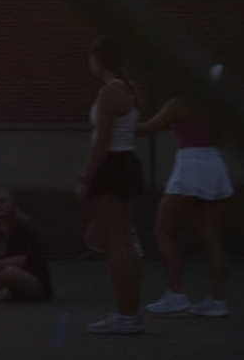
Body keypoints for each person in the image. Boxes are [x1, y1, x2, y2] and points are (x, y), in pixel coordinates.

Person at [141, 71, 233, 318]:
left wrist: (121, 125)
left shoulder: (179, 104)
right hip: (214, 165)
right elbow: (221, 141)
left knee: (163, 230)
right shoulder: (219, 108)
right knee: (211, 237)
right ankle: (218, 300)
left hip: (189, 166)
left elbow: (148, 128)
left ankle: (177, 295)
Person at [79, 37, 148, 334]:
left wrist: (86, 178)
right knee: (126, 242)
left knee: (116, 244)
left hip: (111, 167)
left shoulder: (109, 93)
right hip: (129, 164)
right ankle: (130, 313)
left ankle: (125, 315)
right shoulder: (131, 89)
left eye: (90, 56)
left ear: (99, 59)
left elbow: (102, 142)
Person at [0, 189, 53, 301]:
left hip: (28, 278)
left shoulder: (24, 227)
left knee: (8, 272)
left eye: (2, 201)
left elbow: (21, 260)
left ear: (12, 203)